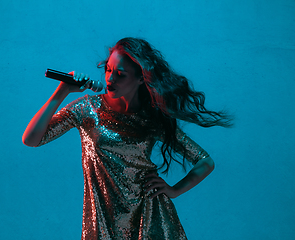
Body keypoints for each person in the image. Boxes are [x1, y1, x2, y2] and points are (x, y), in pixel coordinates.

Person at [22, 37, 232, 240]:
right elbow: (31, 139)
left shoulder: (151, 119)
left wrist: (174, 191)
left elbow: (205, 161)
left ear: (141, 78)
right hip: (103, 221)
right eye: (108, 70)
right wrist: (63, 91)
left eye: (120, 74)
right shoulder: (87, 110)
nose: (110, 79)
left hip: (150, 218)